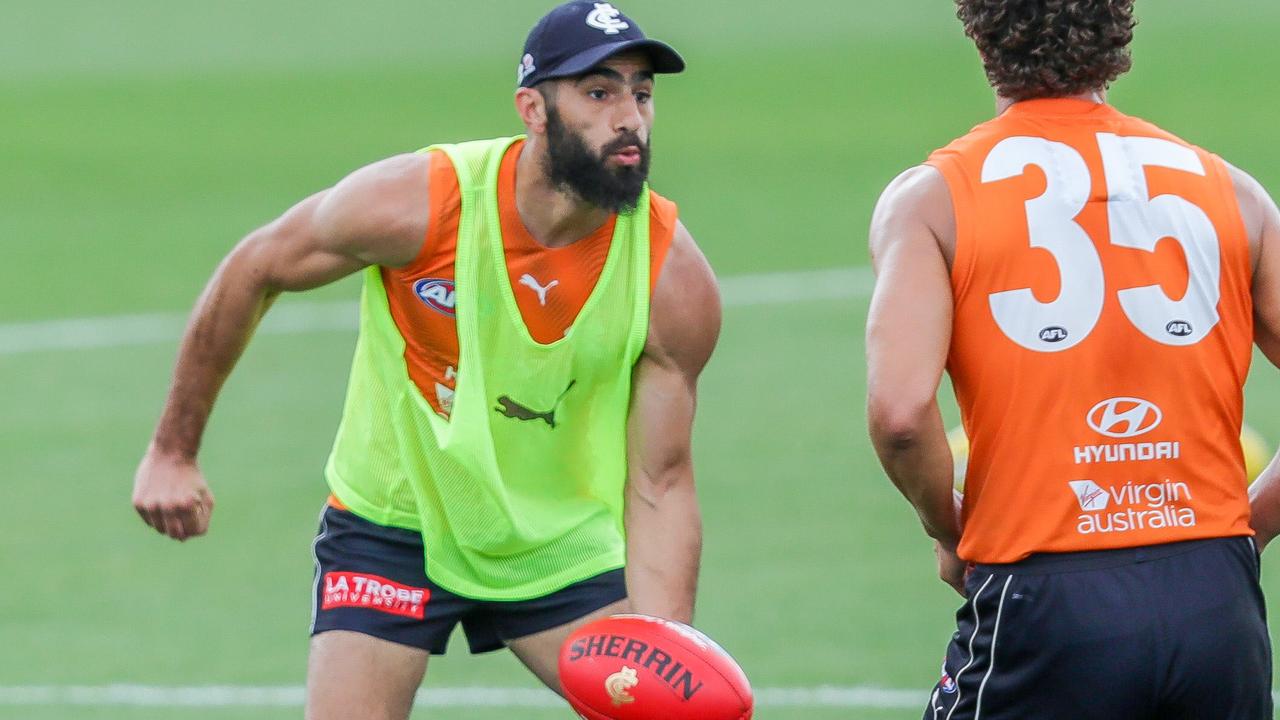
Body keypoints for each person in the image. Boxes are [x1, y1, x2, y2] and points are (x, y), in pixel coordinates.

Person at [130, 2, 720, 718]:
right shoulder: (424, 204)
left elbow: (661, 480)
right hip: (395, 522)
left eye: (642, 92)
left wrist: (665, 645)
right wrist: (173, 449)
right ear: (532, 109)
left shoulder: (669, 276)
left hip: (552, 542)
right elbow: (257, 266)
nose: (629, 116)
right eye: (599, 92)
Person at [866, 1, 1280, 717]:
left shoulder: (932, 200)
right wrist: (1254, 523)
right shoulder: (1231, 191)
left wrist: (949, 531)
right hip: (1217, 597)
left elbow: (901, 416)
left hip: (1046, 589)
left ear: (981, 33)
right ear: (1118, 32)